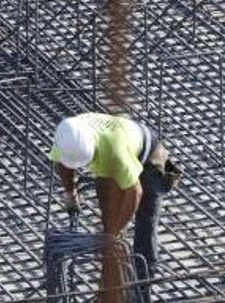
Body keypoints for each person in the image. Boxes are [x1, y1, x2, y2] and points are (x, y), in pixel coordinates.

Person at [51, 112, 181, 281]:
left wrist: (114, 232)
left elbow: (135, 192)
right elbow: (62, 162)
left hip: (148, 158)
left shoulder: (114, 152)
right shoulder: (68, 136)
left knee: (145, 219)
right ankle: (112, 282)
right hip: (114, 157)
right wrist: (70, 192)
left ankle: (144, 281)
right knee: (109, 221)